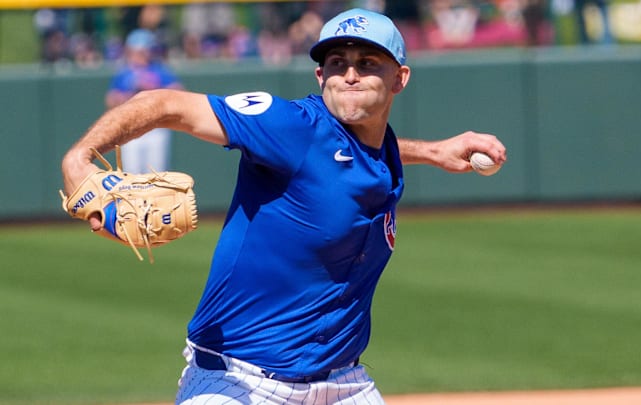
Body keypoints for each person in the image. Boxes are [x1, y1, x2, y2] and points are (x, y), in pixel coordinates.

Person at [61, 8, 506, 405]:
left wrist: (432, 152)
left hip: (344, 383)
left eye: (367, 64)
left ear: (399, 79)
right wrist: (78, 160)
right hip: (239, 382)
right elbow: (159, 103)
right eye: (337, 63)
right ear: (320, 77)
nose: (349, 74)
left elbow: (351, 158)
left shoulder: (380, 150)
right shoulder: (289, 126)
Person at [106, 29, 183, 173]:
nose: (143, 54)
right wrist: (131, 96)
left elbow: (179, 92)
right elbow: (111, 100)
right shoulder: (124, 73)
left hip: (156, 128)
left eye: (146, 50)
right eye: (139, 51)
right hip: (131, 128)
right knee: (131, 173)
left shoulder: (159, 70)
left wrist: (154, 90)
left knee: (157, 173)